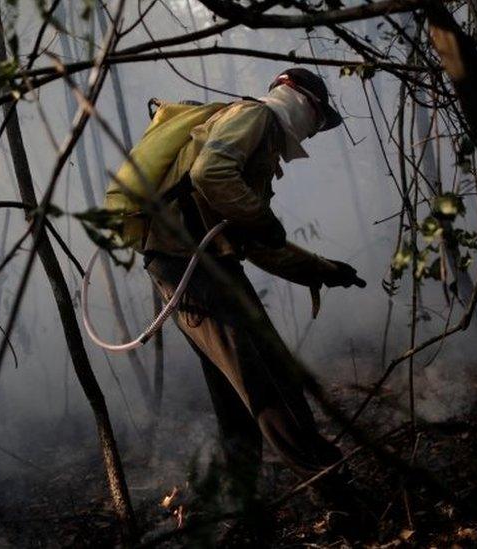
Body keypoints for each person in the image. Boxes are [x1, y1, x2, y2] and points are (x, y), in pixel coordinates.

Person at [141, 68, 367, 537]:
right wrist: (260, 217)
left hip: (199, 267)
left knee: (239, 400)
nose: (315, 131)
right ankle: (338, 496)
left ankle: (240, 513)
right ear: (305, 104)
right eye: (318, 119)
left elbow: (257, 241)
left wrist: (322, 270)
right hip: (194, 270)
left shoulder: (255, 138)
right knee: (269, 386)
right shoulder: (256, 118)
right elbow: (210, 174)